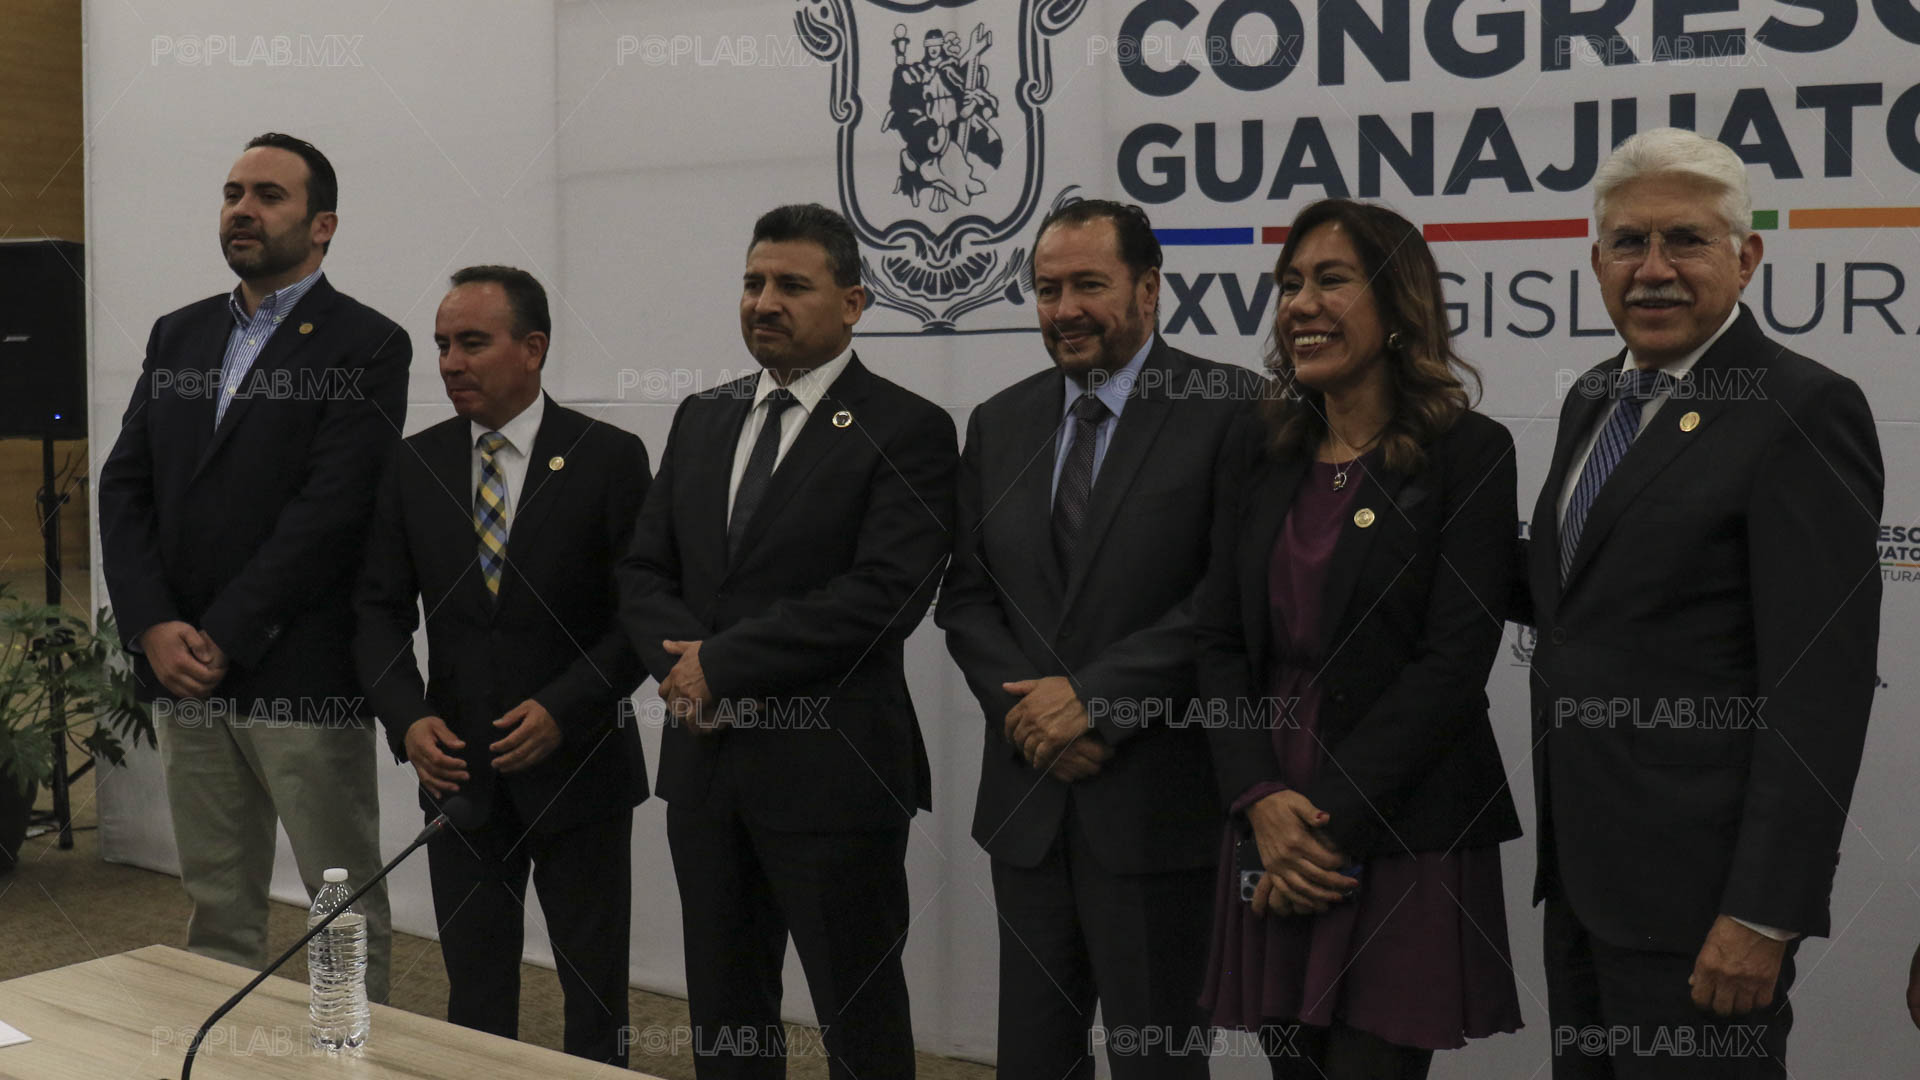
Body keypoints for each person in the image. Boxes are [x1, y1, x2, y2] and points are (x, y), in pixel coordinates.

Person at [1521, 127, 1883, 1078]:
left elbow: (1821, 689)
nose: (1653, 269)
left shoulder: (1802, 409)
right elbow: (1578, 599)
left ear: (1746, 256)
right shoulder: (1592, 397)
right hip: (1584, 892)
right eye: (1628, 243)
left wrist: (1765, 912)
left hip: (1708, 909)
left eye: (1684, 239)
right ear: (1596, 262)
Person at [618, 203, 957, 1078]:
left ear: (853, 303)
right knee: (726, 1017)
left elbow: (884, 595)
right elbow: (643, 571)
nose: (764, 302)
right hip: (706, 773)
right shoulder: (704, 415)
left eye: (791, 286)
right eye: (753, 282)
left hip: (834, 778)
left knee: (860, 1022)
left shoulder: (909, 428)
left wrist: (720, 666)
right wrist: (684, 672)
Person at [1195, 198, 1524, 1079]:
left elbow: (1454, 663)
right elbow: (1217, 640)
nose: (1301, 303)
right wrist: (1260, 799)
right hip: (1270, 801)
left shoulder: (1470, 452)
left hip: (1398, 815)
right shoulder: (1256, 445)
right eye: (1290, 284)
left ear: (1398, 306)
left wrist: (1322, 825)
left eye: (1331, 280)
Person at [938, 198, 1259, 1079]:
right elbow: (967, 597)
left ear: (1149, 290)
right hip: (1029, 803)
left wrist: (1093, 701)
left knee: (1158, 1061)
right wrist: (1036, 719)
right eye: (1047, 290)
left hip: (1158, 806)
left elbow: (1231, 597)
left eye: (1089, 285)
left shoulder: (1233, 408)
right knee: (1031, 1061)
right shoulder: (999, 421)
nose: (1065, 309)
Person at [98, 132, 408, 998]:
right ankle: (227, 1053)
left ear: (322, 225)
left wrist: (224, 633)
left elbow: (331, 511)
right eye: (233, 192)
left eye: (269, 195)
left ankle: (350, 1050)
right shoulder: (180, 333)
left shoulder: (367, 343)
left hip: (298, 667)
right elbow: (125, 486)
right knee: (217, 906)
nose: (243, 209)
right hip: (184, 670)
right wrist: (153, 625)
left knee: (339, 904)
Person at [352, 266, 649, 1064]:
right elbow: (376, 612)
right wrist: (407, 719)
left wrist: (566, 707)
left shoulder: (608, 458)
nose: (450, 362)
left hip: (581, 771)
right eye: (443, 345)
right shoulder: (413, 465)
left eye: (473, 343)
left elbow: (640, 616)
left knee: (595, 993)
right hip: (459, 775)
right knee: (475, 995)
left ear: (533, 348)